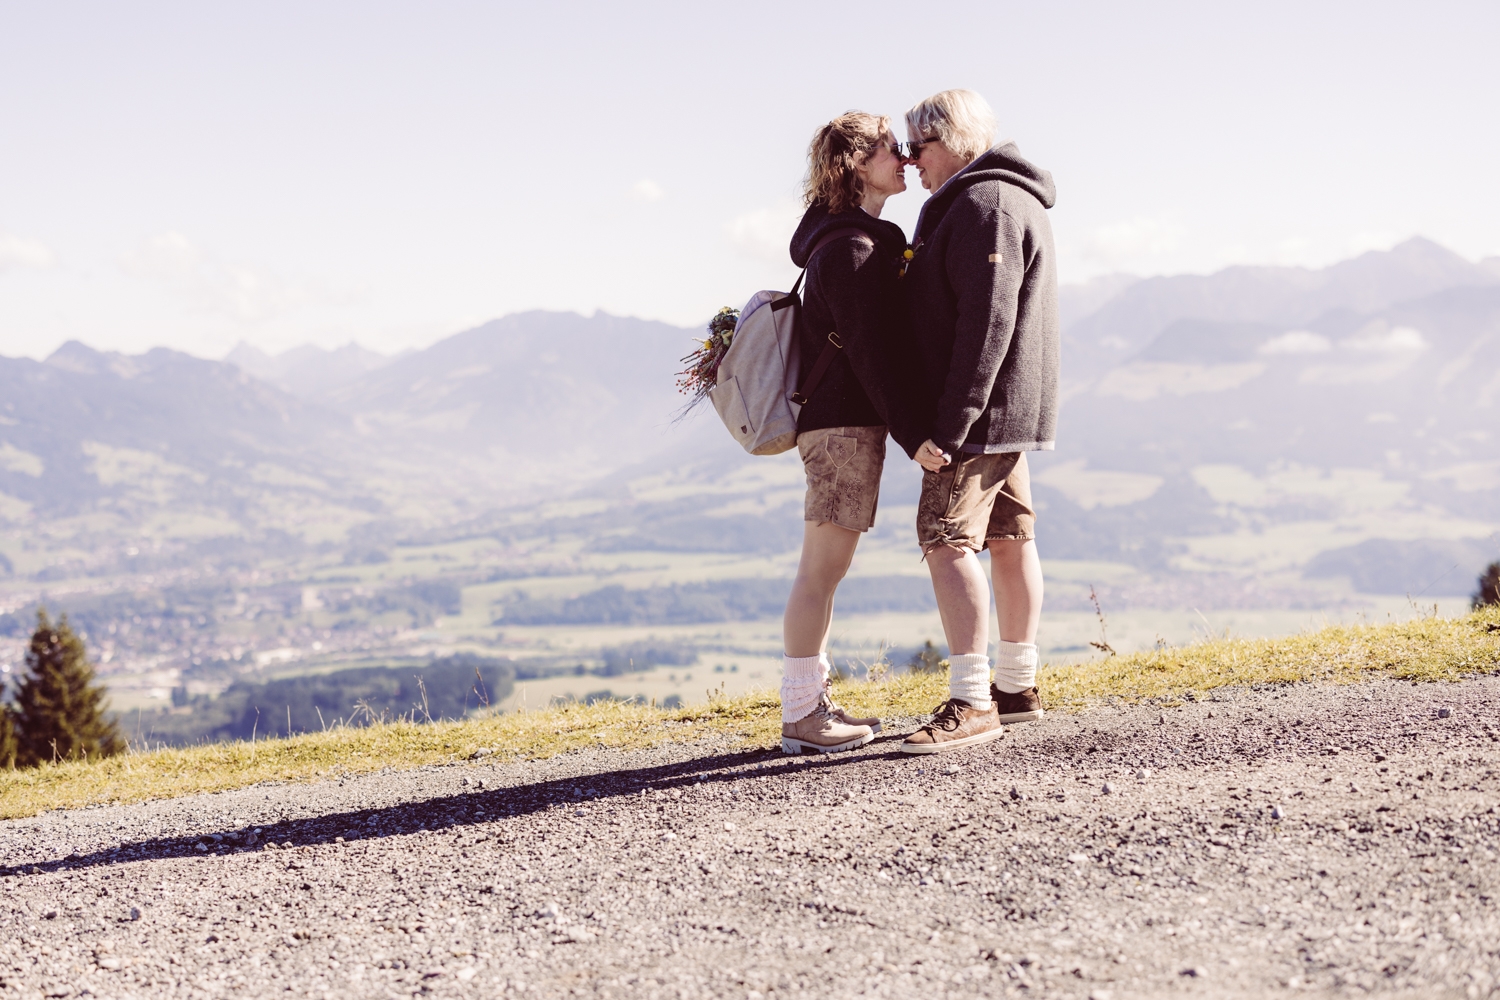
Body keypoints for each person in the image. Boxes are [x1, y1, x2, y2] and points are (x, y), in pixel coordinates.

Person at [896, 89, 1059, 754]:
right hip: (1008, 410)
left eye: (920, 147)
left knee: (945, 540)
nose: (912, 163)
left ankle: (973, 701)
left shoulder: (983, 205)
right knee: (1011, 539)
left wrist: (952, 422)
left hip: (976, 415)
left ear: (954, 139)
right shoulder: (1008, 198)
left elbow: (987, 323)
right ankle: (1017, 689)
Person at [778, 111, 920, 754]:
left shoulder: (846, 240)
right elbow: (872, 353)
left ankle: (810, 704)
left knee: (824, 570)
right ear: (858, 164)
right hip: (840, 427)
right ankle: (804, 714)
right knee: (821, 571)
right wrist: (914, 432)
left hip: (837, 423)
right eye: (893, 148)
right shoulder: (851, 248)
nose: (907, 156)